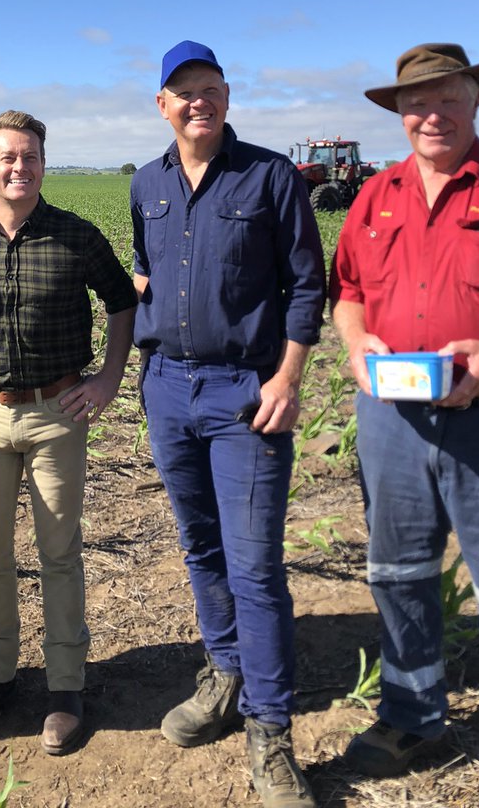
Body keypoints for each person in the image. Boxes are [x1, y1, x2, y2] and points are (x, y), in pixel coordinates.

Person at [131, 41, 325, 808]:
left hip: (247, 392)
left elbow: (308, 286)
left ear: (227, 97)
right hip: (169, 390)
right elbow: (147, 269)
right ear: (162, 105)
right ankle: (224, 672)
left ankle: (270, 732)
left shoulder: (272, 175)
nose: (197, 102)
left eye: (209, 90)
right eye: (183, 92)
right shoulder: (148, 182)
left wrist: (288, 376)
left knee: (254, 566)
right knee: (200, 546)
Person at [330, 42, 479, 795]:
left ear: (476, 102)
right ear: (399, 113)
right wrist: (353, 346)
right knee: (399, 572)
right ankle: (412, 713)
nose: (431, 114)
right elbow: (346, 292)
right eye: (417, 102)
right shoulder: (377, 195)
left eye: (447, 98)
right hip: (391, 422)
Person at [0, 110, 136, 756]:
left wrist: (107, 378)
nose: (20, 167)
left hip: (58, 414)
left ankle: (65, 687)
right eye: (8, 157)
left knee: (58, 552)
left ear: (44, 165)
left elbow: (122, 300)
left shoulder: (74, 236)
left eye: (31, 157)